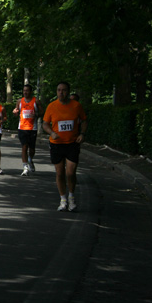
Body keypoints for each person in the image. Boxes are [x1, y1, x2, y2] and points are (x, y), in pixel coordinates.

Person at [42, 81, 87, 212]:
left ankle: (72, 198)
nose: (61, 92)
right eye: (59, 90)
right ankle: (63, 199)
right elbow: (45, 124)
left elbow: (84, 120)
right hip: (57, 144)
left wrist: (82, 134)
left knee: (70, 173)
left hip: (72, 143)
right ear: (56, 92)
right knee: (60, 173)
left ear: (68, 91)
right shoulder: (51, 106)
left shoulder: (76, 106)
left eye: (64, 90)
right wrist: (52, 133)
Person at [13, 84, 44, 176]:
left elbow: (42, 112)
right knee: (24, 147)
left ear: (31, 91)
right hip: (22, 128)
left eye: (27, 90)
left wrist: (37, 115)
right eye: (24, 91)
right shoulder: (20, 101)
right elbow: (16, 112)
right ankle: (25, 167)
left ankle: (30, 159)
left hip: (32, 128)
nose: (25, 92)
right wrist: (15, 112)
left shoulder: (36, 101)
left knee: (32, 149)